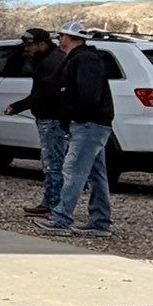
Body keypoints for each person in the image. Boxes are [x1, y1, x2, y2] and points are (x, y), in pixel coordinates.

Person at [40, 21, 115, 237]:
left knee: (73, 171)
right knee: (96, 173)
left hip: (88, 124)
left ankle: (61, 219)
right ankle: (100, 222)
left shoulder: (84, 59)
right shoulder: (84, 58)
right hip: (93, 123)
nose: (59, 41)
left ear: (69, 38)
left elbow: (87, 94)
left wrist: (74, 116)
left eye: (61, 36)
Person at [2, 27, 67, 217]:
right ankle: (51, 203)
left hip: (52, 118)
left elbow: (45, 93)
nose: (27, 49)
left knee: (53, 164)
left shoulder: (51, 63)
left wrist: (18, 106)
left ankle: (53, 205)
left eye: (30, 45)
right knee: (52, 162)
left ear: (42, 44)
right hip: (51, 117)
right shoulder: (49, 59)